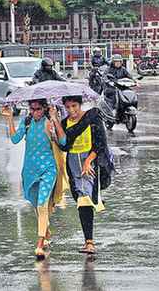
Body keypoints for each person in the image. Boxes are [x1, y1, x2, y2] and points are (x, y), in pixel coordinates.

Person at [2, 99, 67, 260]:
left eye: (38, 109)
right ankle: (45, 231)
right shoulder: (27, 121)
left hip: (48, 169)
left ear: (44, 108)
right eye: (32, 109)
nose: (35, 112)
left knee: (42, 204)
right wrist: (9, 118)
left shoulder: (49, 122)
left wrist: (55, 120)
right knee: (36, 204)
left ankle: (39, 244)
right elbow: (15, 139)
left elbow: (64, 142)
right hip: (30, 170)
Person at [49, 95, 114, 255]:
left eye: (75, 106)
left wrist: (88, 161)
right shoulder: (64, 123)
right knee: (80, 200)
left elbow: (100, 144)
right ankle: (88, 240)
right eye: (68, 107)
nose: (72, 110)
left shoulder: (92, 118)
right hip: (73, 165)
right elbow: (64, 146)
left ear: (80, 104)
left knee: (84, 199)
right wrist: (55, 121)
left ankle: (89, 242)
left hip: (90, 164)